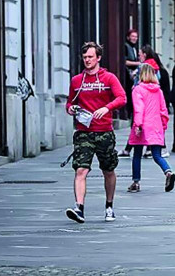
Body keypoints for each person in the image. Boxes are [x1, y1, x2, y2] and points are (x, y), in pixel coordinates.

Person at [65, 42, 127, 224]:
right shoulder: (77, 81)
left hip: (104, 131)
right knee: (81, 170)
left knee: (108, 170)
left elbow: (121, 98)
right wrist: (71, 109)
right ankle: (79, 208)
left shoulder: (108, 78)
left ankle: (109, 206)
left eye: (91, 57)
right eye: (85, 57)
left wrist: (107, 108)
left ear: (98, 58)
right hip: (83, 131)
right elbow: (69, 103)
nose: (87, 60)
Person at [127, 64, 175, 193]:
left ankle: (136, 182)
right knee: (157, 155)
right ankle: (168, 172)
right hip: (156, 125)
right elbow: (163, 110)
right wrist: (163, 125)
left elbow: (139, 109)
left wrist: (138, 125)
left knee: (137, 154)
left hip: (143, 125)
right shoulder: (158, 91)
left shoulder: (138, 90)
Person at [119, 29, 140, 157]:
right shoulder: (127, 47)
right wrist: (138, 63)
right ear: (128, 37)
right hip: (129, 81)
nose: (134, 38)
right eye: (132, 36)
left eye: (136, 37)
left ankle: (129, 148)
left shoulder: (133, 48)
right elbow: (125, 61)